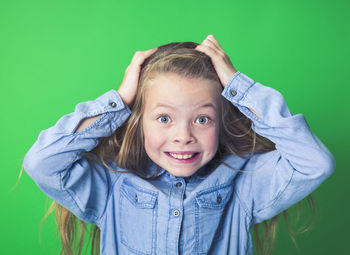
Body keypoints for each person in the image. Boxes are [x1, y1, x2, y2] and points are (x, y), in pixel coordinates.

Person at [22, 35, 335, 255]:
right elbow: (42, 162)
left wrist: (239, 86)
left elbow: (314, 163)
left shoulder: (243, 183)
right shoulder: (113, 184)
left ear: (221, 122)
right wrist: (119, 101)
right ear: (138, 121)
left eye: (202, 119)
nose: (183, 136)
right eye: (163, 119)